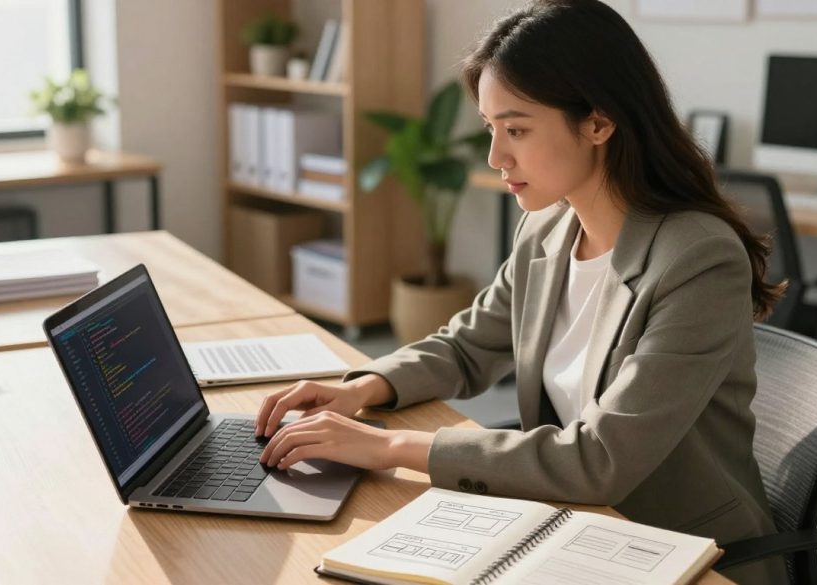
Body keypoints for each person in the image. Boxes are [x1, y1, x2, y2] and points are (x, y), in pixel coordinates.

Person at [255, 1, 787, 582]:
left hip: (679, 547)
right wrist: (362, 390)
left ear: (599, 123)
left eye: (517, 129)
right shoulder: (547, 228)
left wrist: (388, 449)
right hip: (574, 522)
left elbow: (600, 459)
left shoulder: (698, 260)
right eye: (490, 128)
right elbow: (468, 345)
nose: (495, 157)